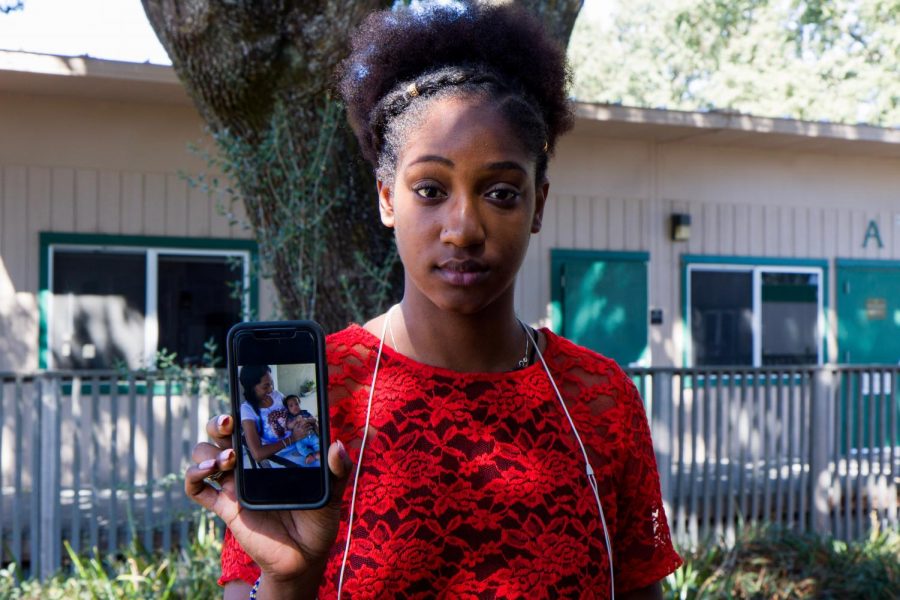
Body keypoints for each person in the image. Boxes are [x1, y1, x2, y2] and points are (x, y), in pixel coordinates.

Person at [186, 2, 683, 598]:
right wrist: (287, 576)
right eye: (430, 189)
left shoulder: (600, 401)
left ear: (539, 206)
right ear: (386, 199)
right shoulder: (320, 394)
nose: (464, 228)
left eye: (501, 192)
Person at [238, 365, 311, 467]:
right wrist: (293, 438)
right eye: (265, 386)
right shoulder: (247, 410)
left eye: (271, 384)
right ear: (252, 387)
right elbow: (257, 454)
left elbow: (294, 413)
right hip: (282, 456)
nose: (271, 389)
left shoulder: (277, 395)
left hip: (303, 442)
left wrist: (305, 419)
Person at [284, 394, 321, 467]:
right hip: (300, 439)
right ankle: (309, 455)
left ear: (299, 404)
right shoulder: (290, 417)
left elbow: (314, 419)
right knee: (299, 447)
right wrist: (295, 421)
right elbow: (288, 426)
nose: (295, 407)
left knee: (317, 442)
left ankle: (318, 453)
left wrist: (307, 420)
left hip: (311, 435)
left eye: (296, 404)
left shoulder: (305, 413)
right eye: (291, 406)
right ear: (287, 409)